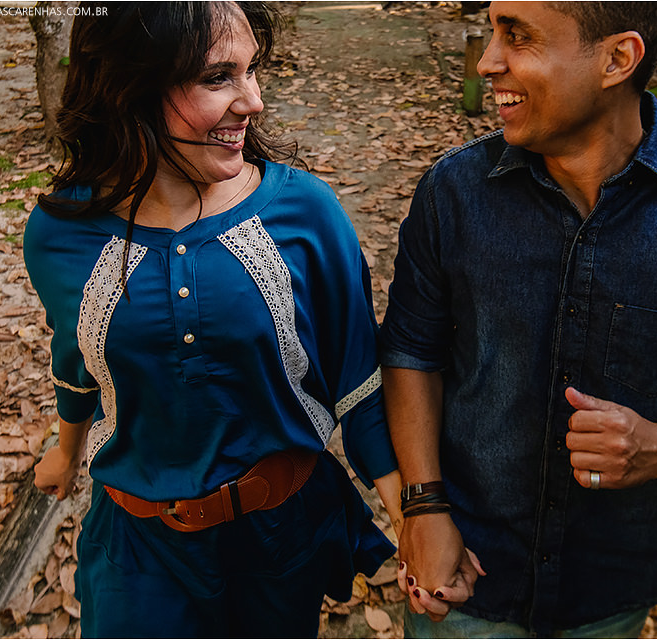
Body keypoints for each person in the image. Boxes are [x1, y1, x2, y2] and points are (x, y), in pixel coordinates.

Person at [379, 2, 657, 637]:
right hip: (468, 569)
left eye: (518, 36)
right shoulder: (454, 194)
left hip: (611, 586)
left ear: (618, 59)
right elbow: (413, 351)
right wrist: (422, 505)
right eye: (495, 29)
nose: (488, 61)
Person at [23, 3, 402, 637]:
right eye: (219, 76)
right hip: (138, 550)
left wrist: (415, 520)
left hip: (281, 539)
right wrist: (66, 454)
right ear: (131, 81)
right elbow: (78, 358)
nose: (253, 100)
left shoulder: (305, 214)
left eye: (253, 71)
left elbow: (359, 385)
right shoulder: (62, 234)